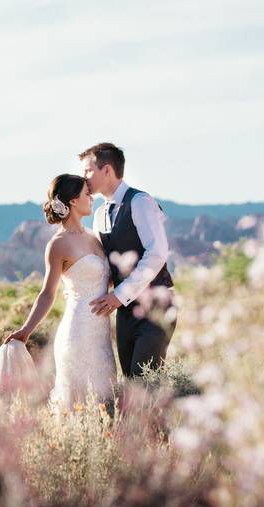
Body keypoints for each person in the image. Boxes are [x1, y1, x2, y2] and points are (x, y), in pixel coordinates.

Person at [0, 174, 117, 408]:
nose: (91, 198)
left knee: (106, 400)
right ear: (73, 201)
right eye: (86, 193)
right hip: (77, 333)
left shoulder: (94, 237)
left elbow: (106, 279)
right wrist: (26, 330)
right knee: (79, 403)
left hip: (101, 334)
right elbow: (47, 293)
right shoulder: (58, 244)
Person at [80, 142, 176, 378]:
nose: (84, 178)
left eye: (88, 171)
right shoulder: (100, 213)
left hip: (157, 306)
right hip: (124, 313)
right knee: (132, 384)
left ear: (107, 170)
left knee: (145, 383)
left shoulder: (140, 202)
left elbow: (157, 253)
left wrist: (118, 295)